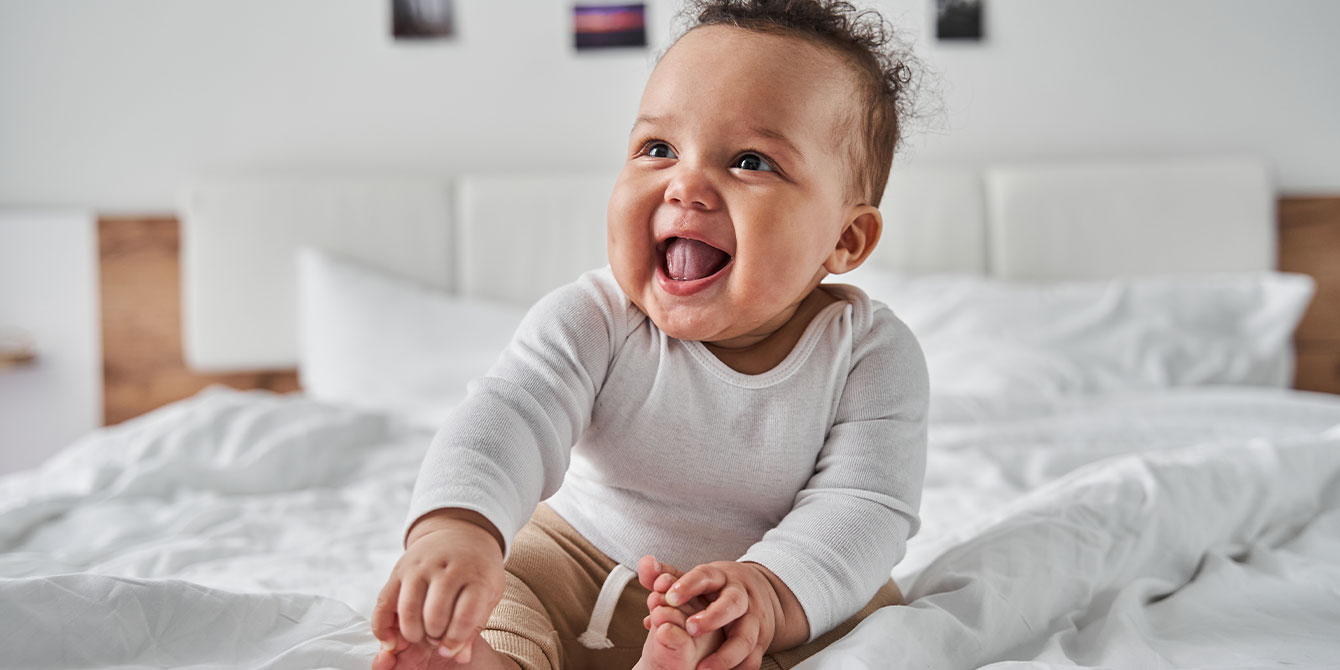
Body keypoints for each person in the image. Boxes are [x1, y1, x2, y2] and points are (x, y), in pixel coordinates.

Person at [371, 1, 928, 668]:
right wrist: (458, 528)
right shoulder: (594, 319)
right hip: (580, 564)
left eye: (751, 161)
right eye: (658, 149)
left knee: (866, 623)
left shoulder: (868, 355)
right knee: (505, 586)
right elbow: (508, 417)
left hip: (765, 590)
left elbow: (863, 508)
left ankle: (696, 655)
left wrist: (770, 595)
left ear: (845, 238)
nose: (685, 184)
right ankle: (479, 657)